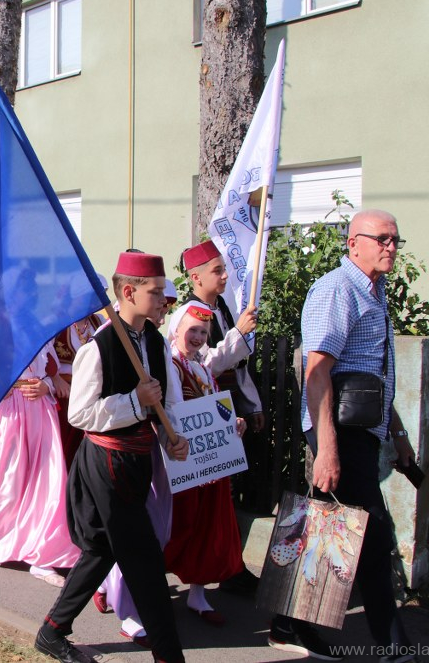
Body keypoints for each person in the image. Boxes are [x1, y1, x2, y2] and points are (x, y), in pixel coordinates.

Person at [269, 210, 418, 663]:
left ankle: (289, 624)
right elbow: (317, 372)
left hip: (360, 430)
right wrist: (327, 449)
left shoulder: (374, 290)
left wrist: (396, 432)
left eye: (395, 239)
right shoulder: (337, 289)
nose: (391, 246)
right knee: (372, 535)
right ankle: (394, 648)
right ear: (353, 243)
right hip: (339, 431)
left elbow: (371, 374)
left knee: (325, 527)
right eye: (382, 238)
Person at [34, 252, 188, 663]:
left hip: (138, 460)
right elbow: (80, 413)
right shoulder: (98, 346)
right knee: (144, 560)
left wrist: (173, 437)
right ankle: (169, 656)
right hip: (106, 463)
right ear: (129, 292)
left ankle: (52, 631)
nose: (163, 300)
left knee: (102, 549)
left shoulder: (155, 341)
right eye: (156, 292)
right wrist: (134, 402)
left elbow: (168, 403)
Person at [182, 239, 263, 595]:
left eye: (224, 269)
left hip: (229, 410)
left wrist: (252, 404)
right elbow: (201, 366)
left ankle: (227, 565)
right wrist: (238, 335)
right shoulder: (191, 314)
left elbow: (238, 366)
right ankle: (221, 568)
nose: (225, 276)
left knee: (227, 496)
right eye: (217, 270)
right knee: (213, 498)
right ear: (196, 277)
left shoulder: (223, 310)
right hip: (207, 414)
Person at [0, 337, 79, 586]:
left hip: (40, 410)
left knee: (47, 481)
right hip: (10, 411)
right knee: (6, 479)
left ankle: (42, 555)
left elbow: (51, 371)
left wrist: (46, 386)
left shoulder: (43, 333)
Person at [163, 301, 248, 626]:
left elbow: (214, 409)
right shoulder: (170, 364)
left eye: (203, 332)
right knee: (176, 527)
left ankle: (197, 594)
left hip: (210, 464)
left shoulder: (202, 368)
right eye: (193, 330)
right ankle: (126, 584)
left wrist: (232, 423)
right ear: (176, 330)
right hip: (181, 462)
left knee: (206, 528)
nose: (198, 337)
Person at [52, 274, 108, 469]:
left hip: (94, 395)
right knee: (65, 452)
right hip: (64, 395)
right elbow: (42, 357)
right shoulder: (56, 321)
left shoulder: (99, 321)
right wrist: (55, 378)